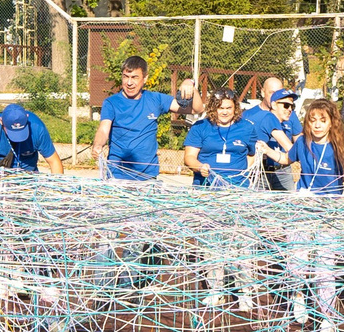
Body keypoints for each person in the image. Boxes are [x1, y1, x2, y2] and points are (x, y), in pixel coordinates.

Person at [284, 99, 344, 332]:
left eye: (322, 120)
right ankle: (298, 296)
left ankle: (327, 317)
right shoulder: (302, 143)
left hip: (328, 214)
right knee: (297, 260)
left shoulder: (340, 146)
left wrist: (340, 207)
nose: (316, 125)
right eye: (312, 120)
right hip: (303, 209)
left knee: (324, 267)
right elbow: (285, 159)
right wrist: (265, 148)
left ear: (331, 122)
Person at [181, 90, 258, 308]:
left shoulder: (247, 128)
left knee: (242, 243)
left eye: (228, 108)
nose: (224, 112)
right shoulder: (200, 127)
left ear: (235, 108)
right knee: (212, 243)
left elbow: (251, 155)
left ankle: (245, 292)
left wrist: (241, 174)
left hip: (238, 192)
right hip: (209, 192)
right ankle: (216, 289)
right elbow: (189, 157)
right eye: (220, 108)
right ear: (213, 108)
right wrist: (200, 167)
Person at [93, 55, 166, 182]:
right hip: (117, 176)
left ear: (145, 78)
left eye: (134, 77)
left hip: (148, 178)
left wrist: (189, 84)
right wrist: (98, 145)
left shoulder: (155, 99)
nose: (129, 82)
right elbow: (104, 129)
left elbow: (194, 109)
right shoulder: (111, 102)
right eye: (126, 77)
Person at [0, 99, 62, 175]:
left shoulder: (37, 128)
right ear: (1, 121)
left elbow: (54, 162)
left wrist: (56, 185)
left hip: (28, 179)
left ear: (27, 118)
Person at [244, 80, 300, 190]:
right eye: (286, 106)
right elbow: (291, 149)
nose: (290, 110)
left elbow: (286, 157)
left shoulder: (265, 116)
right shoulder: (269, 118)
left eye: (292, 106)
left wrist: (268, 150)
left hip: (273, 168)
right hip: (253, 169)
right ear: (274, 105)